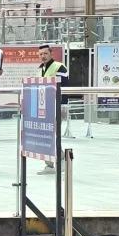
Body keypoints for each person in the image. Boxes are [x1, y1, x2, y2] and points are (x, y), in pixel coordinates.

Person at [37, 44, 68, 174]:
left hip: (55, 106)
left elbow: (64, 88)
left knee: (53, 136)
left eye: (45, 53)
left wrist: (62, 106)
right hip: (43, 107)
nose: (43, 56)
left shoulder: (59, 67)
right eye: (41, 54)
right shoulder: (40, 69)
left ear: (51, 54)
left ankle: (62, 161)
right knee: (44, 136)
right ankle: (49, 165)